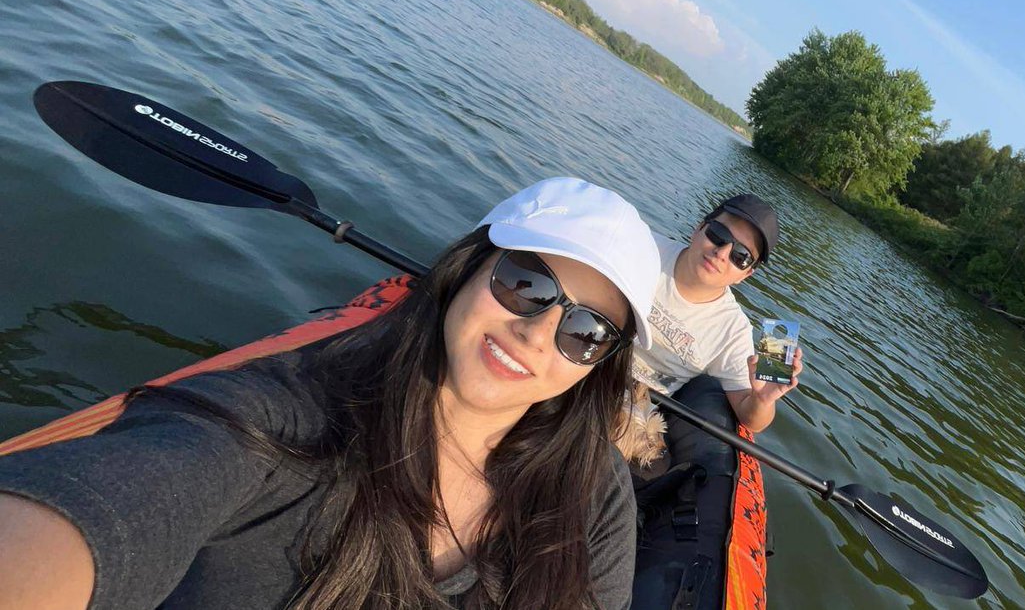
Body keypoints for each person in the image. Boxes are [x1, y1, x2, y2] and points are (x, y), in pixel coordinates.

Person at [0, 176, 660, 610]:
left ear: (597, 364)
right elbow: (98, 513)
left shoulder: (594, 491)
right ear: (467, 267)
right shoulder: (279, 428)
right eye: (527, 283)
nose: (538, 332)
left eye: (586, 330)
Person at [631, 194, 802, 434]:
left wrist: (762, 400)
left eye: (740, 256)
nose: (722, 253)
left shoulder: (734, 331)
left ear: (746, 275)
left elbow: (752, 419)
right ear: (699, 228)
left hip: (634, 415)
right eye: (719, 235)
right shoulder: (642, 247)